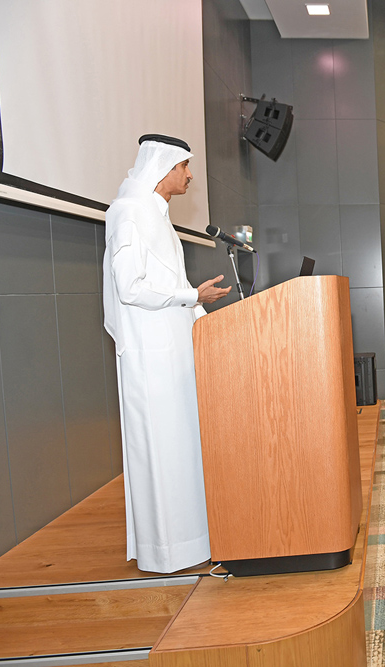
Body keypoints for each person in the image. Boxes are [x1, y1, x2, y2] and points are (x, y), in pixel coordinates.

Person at [103, 134, 232, 574]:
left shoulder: (156, 216)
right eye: (184, 167)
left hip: (173, 353)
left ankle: (192, 542)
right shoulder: (129, 213)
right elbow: (130, 287)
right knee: (161, 450)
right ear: (163, 167)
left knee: (182, 448)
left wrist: (197, 307)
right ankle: (165, 550)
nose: (190, 175)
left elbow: (170, 286)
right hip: (150, 357)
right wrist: (188, 294)